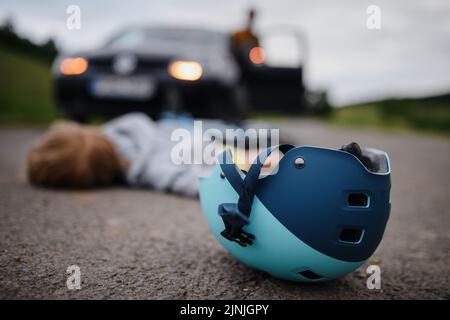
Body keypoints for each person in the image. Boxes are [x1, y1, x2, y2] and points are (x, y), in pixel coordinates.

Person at [27, 113, 283, 197]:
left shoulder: (148, 167)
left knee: (258, 155)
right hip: (196, 132)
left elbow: (199, 180)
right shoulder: (120, 126)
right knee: (249, 140)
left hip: (210, 149)